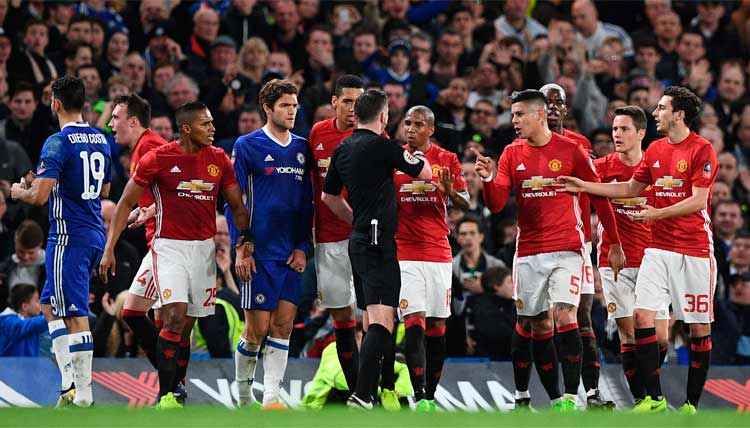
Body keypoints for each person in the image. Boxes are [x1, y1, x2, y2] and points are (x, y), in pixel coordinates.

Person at [559, 86, 717, 415]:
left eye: (661, 108)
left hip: (694, 249)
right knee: (637, 320)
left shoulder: (702, 150)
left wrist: (657, 213)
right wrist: (586, 185)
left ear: (679, 114)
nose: (656, 112)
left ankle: (691, 404)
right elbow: (630, 188)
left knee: (695, 328)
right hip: (655, 251)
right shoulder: (657, 150)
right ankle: (654, 399)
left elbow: (700, 200)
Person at [473, 89, 624, 412]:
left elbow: (597, 195)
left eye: (519, 114)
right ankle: (533, 397)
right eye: (512, 115)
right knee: (534, 323)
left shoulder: (572, 150)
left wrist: (614, 243)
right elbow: (498, 203)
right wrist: (488, 178)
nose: (513, 121)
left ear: (539, 115)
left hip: (567, 248)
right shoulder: (512, 153)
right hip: (528, 251)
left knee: (566, 313)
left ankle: (572, 398)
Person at [99, 101, 252, 410]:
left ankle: (174, 388)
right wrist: (109, 248)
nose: (213, 129)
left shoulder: (219, 159)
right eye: (205, 124)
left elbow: (237, 206)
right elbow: (126, 202)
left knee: (187, 324)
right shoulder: (159, 157)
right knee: (173, 316)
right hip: (167, 246)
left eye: (211, 123)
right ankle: (168, 394)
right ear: (186, 129)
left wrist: (243, 244)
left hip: (203, 249)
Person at [321, 88, 432, 410]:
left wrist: (356, 218)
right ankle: (363, 393)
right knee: (383, 320)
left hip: (358, 239)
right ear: (383, 116)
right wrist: (416, 153)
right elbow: (423, 172)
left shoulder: (342, 147)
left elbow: (329, 198)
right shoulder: (384, 146)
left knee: (372, 318)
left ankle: (364, 395)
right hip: (377, 240)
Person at [10, 75, 112, 408]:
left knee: (74, 312)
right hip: (94, 229)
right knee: (50, 305)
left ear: (55, 103)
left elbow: (38, 197)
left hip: (69, 234)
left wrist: (18, 191)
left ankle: (83, 394)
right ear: (82, 102)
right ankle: (69, 383)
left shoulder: (57, 141)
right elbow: (105, 190)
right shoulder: (100, 138)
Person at [230, 79, 313, 409]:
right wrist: (242, 247)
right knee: (257, 330)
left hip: (290, 251)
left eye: (295, 105)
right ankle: (243, 393)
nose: (292, 111)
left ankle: (273, 398)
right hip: (259, 251)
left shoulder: (302, 148)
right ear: (267, 108)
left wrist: (303, 247)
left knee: (283, 326)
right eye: (285, 105)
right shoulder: (248, 145)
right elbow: (235, 201)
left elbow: (307, 204)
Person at [106, 93, 183, 398]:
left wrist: (150, 211)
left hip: (167, 244)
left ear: (133, 121)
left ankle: (173, 386)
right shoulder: (142, 147)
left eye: (115, 117)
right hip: (159, 242)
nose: (111, 124)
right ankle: (174, 388)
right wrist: (147, 209)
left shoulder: (150, 146)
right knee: (155, 318)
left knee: (137, 314)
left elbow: (178, 187)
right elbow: (161, 193)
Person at [539, 83, 610, 408]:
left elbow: (595, 191)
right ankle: (542, 395)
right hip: (534, 244)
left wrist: (602, 229)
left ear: (566, 109)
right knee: (538, 319)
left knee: (578, 314)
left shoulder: (579, 145)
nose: (552, 108)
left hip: (575, 242)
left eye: (558, 103)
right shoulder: (521, 143)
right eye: (546, 103)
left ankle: (592, 393)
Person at [593, 105, 670, 408]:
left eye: (624, 129)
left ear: (641, 133)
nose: (617, 135)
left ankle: (648, 390)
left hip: (653, 260)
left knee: (660, 339)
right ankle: (644, 400)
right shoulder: (602, 167)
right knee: (630, 334)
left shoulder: (657, 166)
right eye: (614, 129)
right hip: (615, 262)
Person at [394, 105, 468, 412]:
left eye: (418, 124)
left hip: (438, 251)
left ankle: (430, 396)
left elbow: (466, 200)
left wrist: (451, 191)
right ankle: (419, 392)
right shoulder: (394, 158)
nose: (410, 128)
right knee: (414, 321)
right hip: (405, 251)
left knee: (438, 325)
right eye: (408, 123)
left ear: (431, 130)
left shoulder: (447, 159)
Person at [307, 74, 364, 394]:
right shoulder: (317, 134)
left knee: (373, 314)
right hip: (328, 236)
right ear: (334, 103)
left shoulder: (373, 134)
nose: (353, 108)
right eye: (347, 101)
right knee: (342, 315)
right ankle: (356, 390)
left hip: (364, 236)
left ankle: (376, 386)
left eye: (359, 102)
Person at [0, 283, 47, 356]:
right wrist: (49, 317)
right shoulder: (7, 322)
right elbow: (21, 326)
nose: (40, 304)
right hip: (9, 367)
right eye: (37, 300)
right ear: (25, 306)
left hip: (29, 366)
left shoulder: (34, 323)